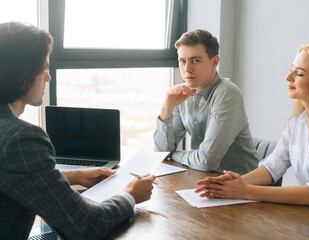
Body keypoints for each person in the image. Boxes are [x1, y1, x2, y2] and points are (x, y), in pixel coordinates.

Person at [0, 22, 156, 240]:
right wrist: (130, 195)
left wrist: (74, 176)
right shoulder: (21, 138)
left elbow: (10, 176)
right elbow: (86, 226)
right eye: (44, 68)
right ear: (23, 74)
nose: (48, 77)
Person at [195, 40, 309, 208]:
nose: (288, 77)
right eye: (291, 70)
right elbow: (273, 167)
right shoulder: (298, 121)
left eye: (300, 74)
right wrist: (232, 184)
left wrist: (245, 191)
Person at [154, 29, 258, 174]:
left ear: (214, 62)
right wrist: (166, 109)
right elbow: (160, 154)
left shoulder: (227, 94)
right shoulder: (183, 94)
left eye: (195, 60)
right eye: (182, 61)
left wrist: (174, 154)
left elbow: (207, 161)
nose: (187, 69)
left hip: (240, 188)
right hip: (203, 179)